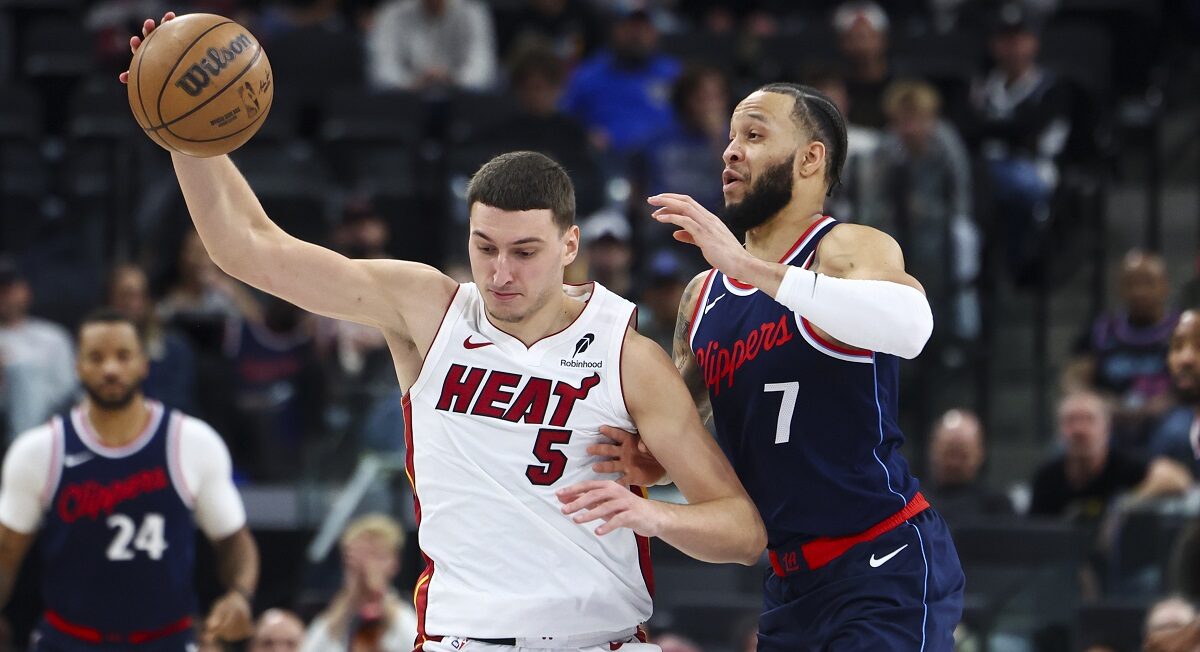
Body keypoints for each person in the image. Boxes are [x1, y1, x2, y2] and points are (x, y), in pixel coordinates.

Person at [122, 16, 765, 652]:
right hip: (466, 639)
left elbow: (742, 533)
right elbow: (248, 249)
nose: (500, 272)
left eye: (524, 251)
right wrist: (181, 131)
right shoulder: (428, 310)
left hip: (600, 640)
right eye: (485, 247)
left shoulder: (627, 353)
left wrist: (653, 514)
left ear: (571, 245)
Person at [603, 82, 964, 649]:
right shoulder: (704, 296)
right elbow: (682, 435)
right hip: (789, 583)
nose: (730, 151)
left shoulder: (845, 247)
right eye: (729, 138)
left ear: (810, 157)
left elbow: (913, 327)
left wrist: (748, 265)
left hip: (884, 559)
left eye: (753, 135)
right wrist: (652, 462)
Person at [0, 309, 259, 650]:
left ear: (143, 363)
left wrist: (239, 595)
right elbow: (6, 552)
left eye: (122, 356)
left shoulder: (191, 442)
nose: (110, 369)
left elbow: (234, 542)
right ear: (77, 366)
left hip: (166, 640)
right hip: (70, 641)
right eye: (96, 357)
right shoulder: (40, 450)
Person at [1066, 250, 1179, 449]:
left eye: (1148, 283)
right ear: (1121, 289)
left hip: (1167, 414)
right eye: (1132, 284)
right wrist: (1098, 404)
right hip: (1111, 416)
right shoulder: (1103, 330)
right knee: (1075, 438)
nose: (1140, 291)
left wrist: (1167, 402)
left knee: (1176, 434)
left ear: (1165, 286)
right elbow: (1074, 378)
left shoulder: (1183, 330)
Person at [1029, 391, 1191, 520]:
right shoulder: (1046, 479)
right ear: (1059, 431)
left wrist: (1125, 506)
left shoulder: (1124, 466)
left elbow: (1178, 479)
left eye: (1088, 420)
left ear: (1107, 429)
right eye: (1071, 421)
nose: (1079, 430)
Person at [301, 514, 417, 652]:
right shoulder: (328, 611)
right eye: (360, 556)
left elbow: (416, 643)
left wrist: (379, 592)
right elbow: (309, 648)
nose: (367, 565)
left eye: (376, 555)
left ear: (395, 563)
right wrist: (349, 597)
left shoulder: (413, 606)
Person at [0, 256, 77, 442]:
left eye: (9, 289)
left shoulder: (54, 336)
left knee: (23, 371)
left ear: (25, 290)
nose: (5, 295)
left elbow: (68, 390)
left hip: (52, 428)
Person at [107, 262, 198, 413]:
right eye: (127, 295)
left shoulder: (174, 349)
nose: (133, 304)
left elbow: (179, 402)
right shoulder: (98, 347)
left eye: (140, 295)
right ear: (111, 298)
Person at [366, 0, 498, 91]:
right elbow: (381, 70)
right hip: (406, 99)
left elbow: (482, 69)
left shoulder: (472, 13)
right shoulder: (392, 13)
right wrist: (411, 83)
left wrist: (451, 79)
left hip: (461, 98)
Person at [924, 409, 1013, 527]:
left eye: (963, 456)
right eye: (949, 453)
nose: (954, 463)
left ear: (980, 453)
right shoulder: (911, 502)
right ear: (933, 450)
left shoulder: (998, 506)